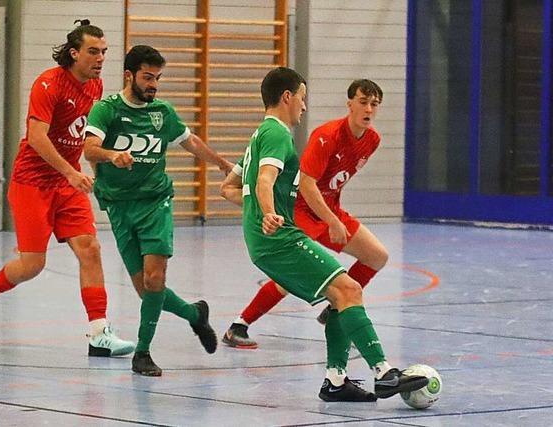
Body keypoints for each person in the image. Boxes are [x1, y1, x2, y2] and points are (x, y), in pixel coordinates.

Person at [220, 67, 427, 402]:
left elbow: (230, 188)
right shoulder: (278, 135)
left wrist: (258, 211)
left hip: (269, 238)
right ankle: (384, 373)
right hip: (281, 237)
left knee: (341, 294)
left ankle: (335, 380)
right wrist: (271, 213)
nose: (304, 105)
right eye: (302, 97)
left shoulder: (261, 135)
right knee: (348, 290)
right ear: (287, 97)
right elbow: (264, 182)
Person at [0, 20, 135, 358]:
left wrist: (95, 171)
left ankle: (99, 332)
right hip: (32, 182)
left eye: (104, 52)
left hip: (66, 182)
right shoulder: (48, 84)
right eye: (93, 51)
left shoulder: (96, 86)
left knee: (90, 248)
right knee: (32, 264)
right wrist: (70, 173)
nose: (100, 58)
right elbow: (38, 137)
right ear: (74, 53)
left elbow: (83, 136)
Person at [83, 45, 233, 377]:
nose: (153, 85)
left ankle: (143, 353)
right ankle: (195, 315)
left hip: (155, 202)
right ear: (128, 75)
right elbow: (89, 149)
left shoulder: (161, 113)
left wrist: (222, 163)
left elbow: (190, 141)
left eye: (157, 78)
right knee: (146, 290)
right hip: (120, 208)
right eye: (147, 77)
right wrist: (112, 155)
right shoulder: (106, 110)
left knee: (155, 279)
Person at [222, 79, 388, 350]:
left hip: (328, 208)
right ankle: (239, 325)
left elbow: (334, 181)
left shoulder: (372, 140)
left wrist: (334, 216)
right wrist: (331, 221)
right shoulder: (326, 135)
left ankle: (337, 308)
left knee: (377, 256)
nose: (368, 109)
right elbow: (307, 184)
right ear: (349, 104)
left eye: (374, 104)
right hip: (302, 209)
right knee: (289, 278)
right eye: (362, 102)